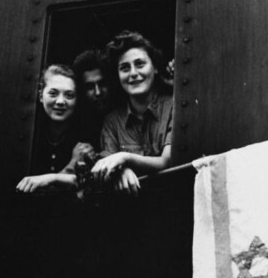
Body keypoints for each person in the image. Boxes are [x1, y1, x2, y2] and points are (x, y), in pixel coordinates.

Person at [91, 30, 173, 195]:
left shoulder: (173, 106)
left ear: (155, 68)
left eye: (140, 64)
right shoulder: (112, 121)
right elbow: (106, 165)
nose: (133, 73)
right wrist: (120, 171)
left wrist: (124, 158)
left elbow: (167, 161)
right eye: (125, 68)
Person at [16, 64, 95, 193]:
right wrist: (71, 165)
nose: (60, 101)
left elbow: (85, 184)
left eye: (69, 95)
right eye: (53, 93)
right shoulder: (29, 132)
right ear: (41, 95)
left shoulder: (85, 135)